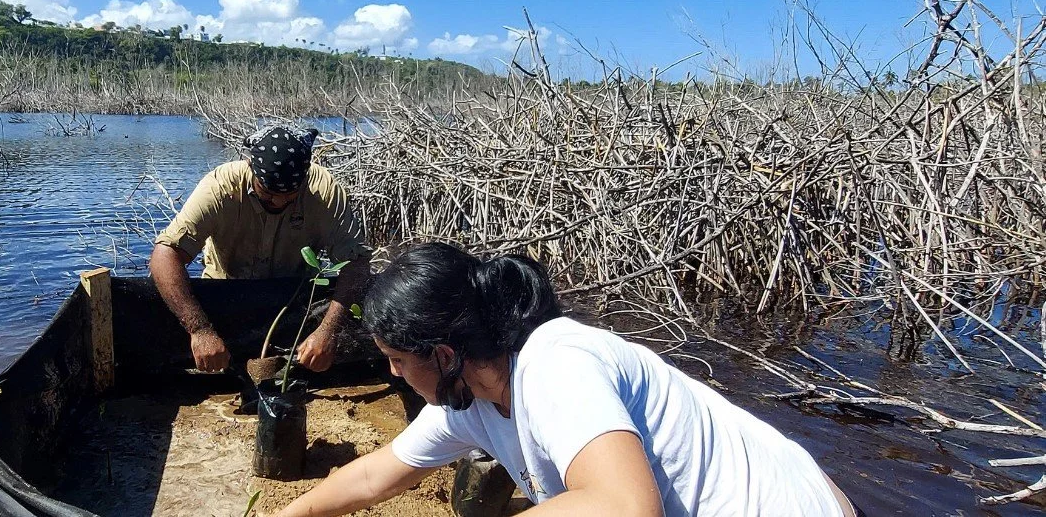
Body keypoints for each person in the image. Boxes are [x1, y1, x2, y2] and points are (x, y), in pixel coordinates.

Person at [270, 243, 858, 517]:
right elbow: (375, 475)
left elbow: (625, 507)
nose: (392, 374)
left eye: (397, 360)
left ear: (443, 353)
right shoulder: (469, 395)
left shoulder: (556, 362)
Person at [151, 124, 369, 373]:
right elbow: (165, 254)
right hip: (224, 298)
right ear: (250, 167)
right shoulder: (220, 187)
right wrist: (199, 329)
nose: (277, 202)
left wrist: (329, 331)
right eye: (267, 194)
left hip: (293, 303)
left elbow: (358, 262)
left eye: (289, 197)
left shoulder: (324, 191)